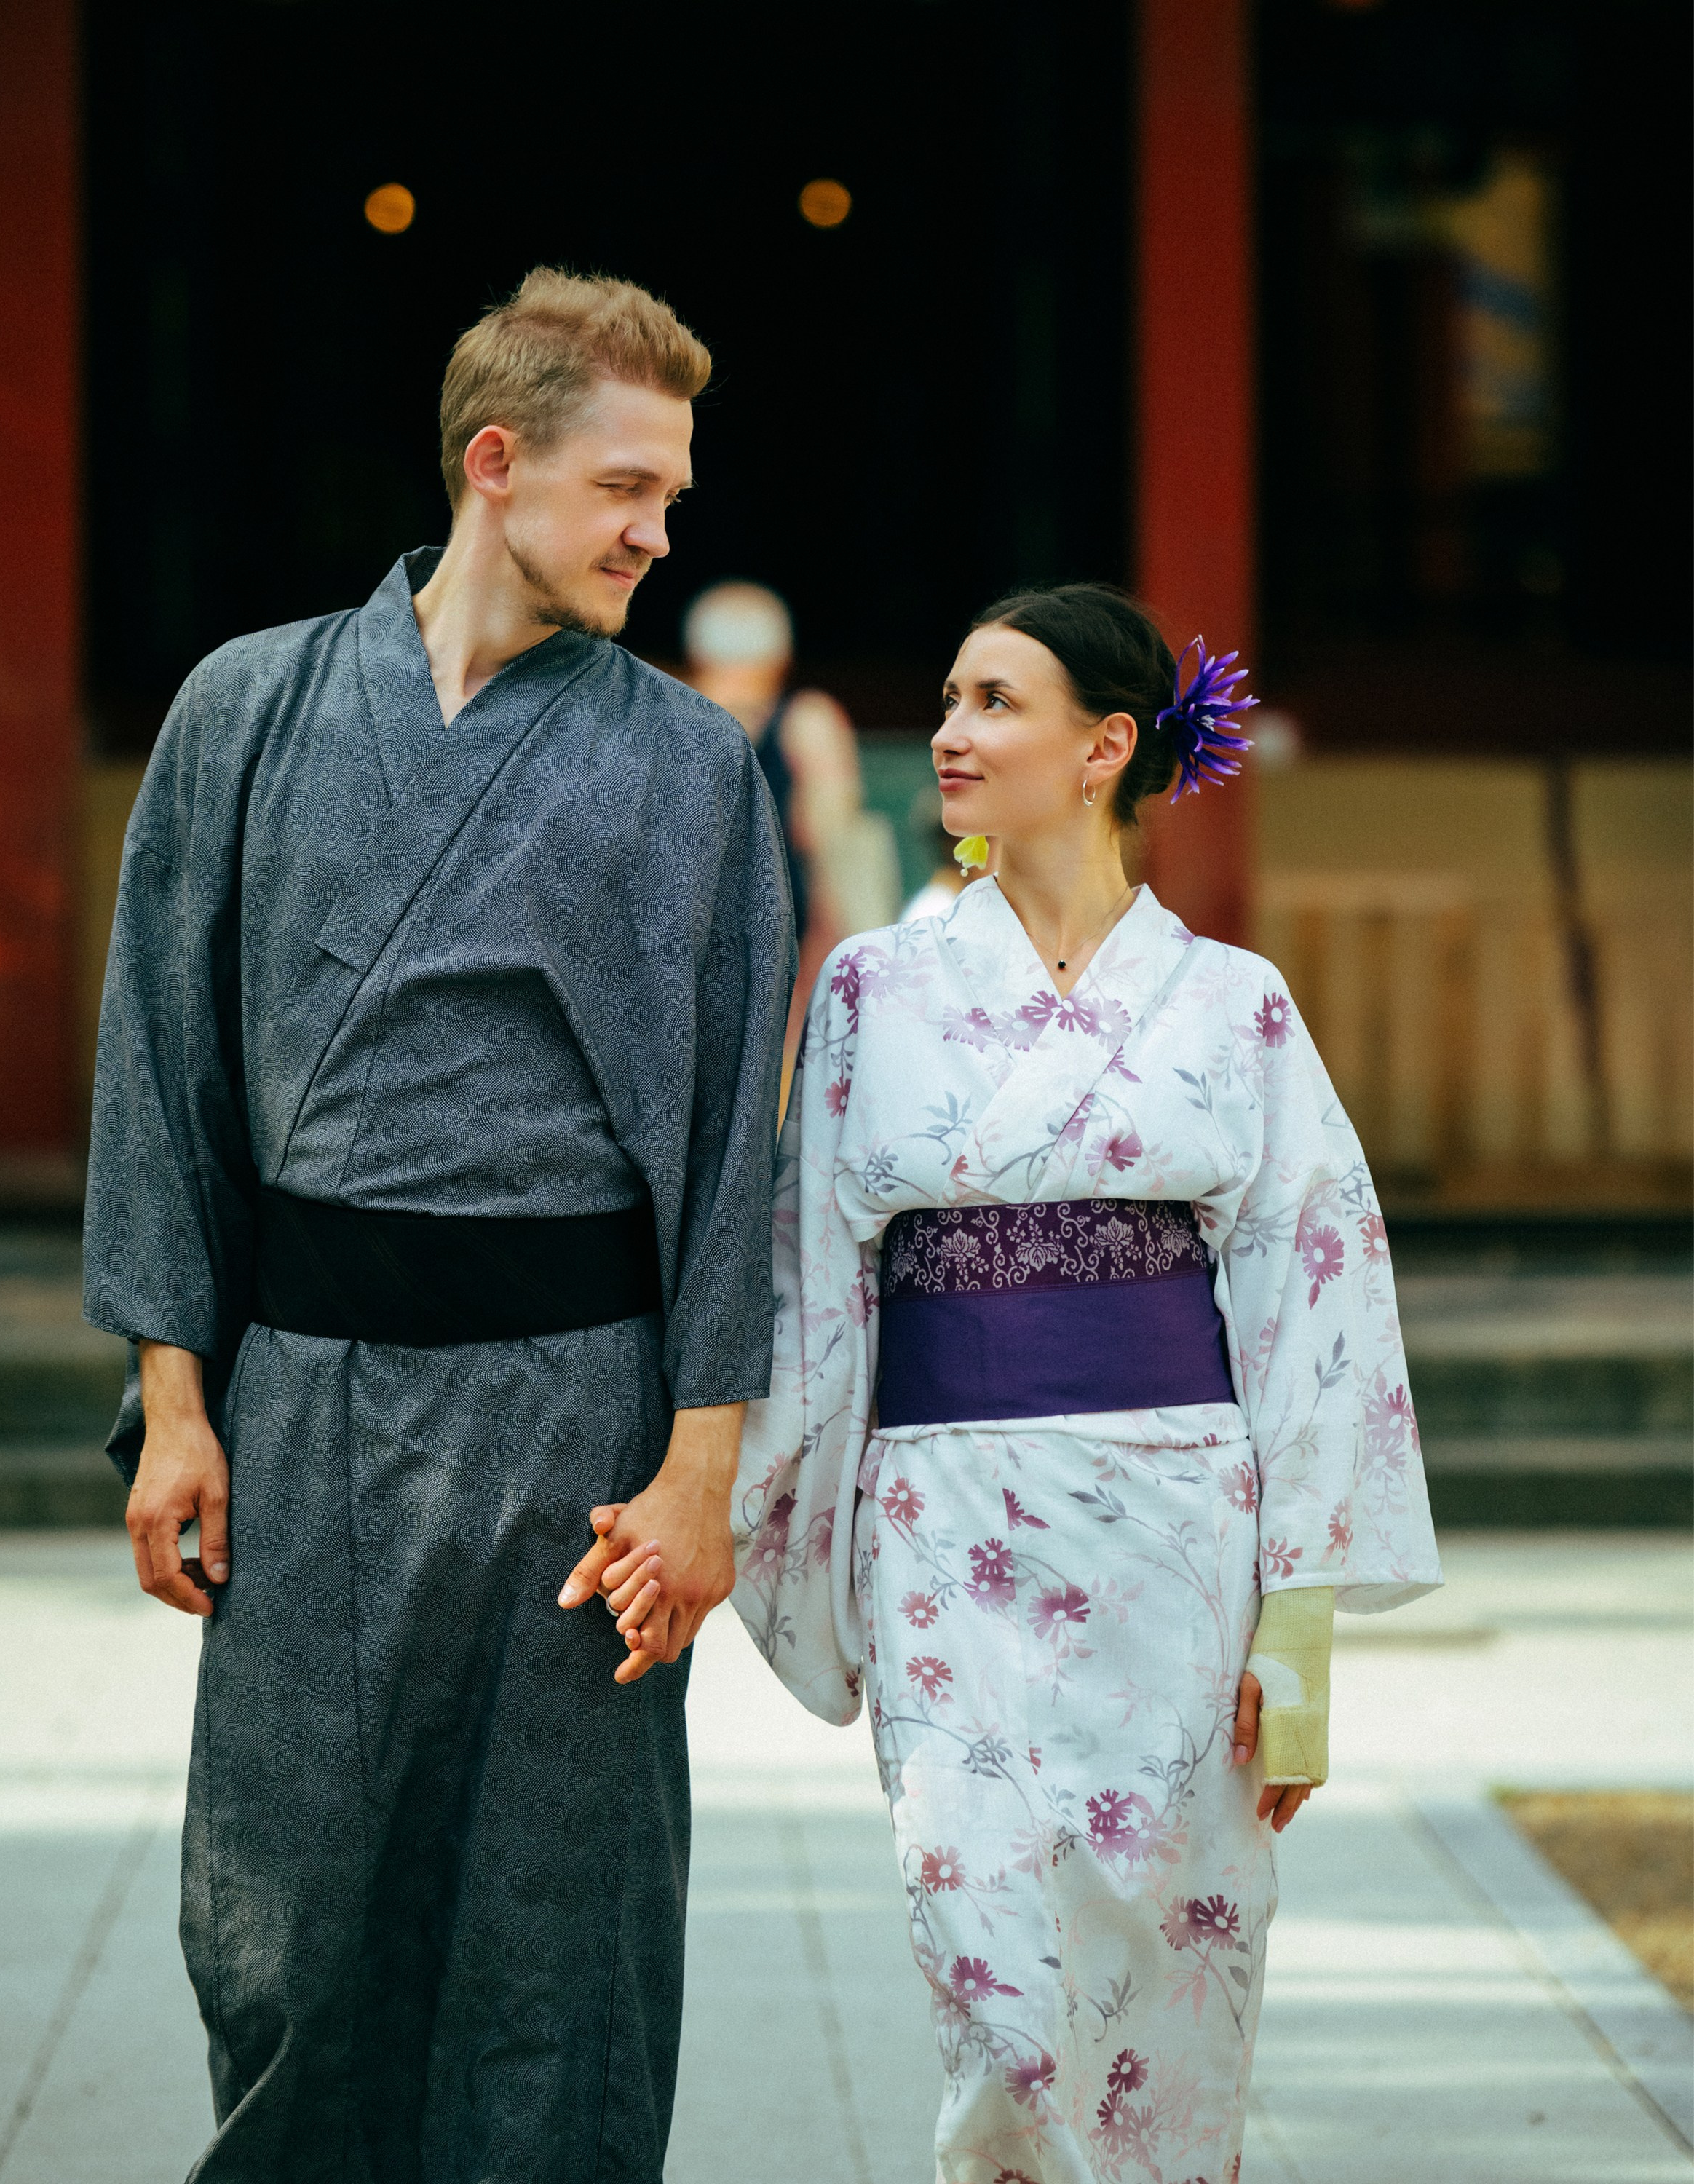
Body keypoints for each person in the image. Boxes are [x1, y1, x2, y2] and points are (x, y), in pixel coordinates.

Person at [83, 268, 794, 2180]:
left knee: (562, 1930)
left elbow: (733, 1144)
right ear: (496, 464)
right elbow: (160, 1066)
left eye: (671, 497)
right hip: (305, 1398)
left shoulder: (689, 765)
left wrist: (703, 1475)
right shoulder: (248, 708)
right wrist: (176, 1402)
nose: (657, 535)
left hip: (580, 1428)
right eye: (625, 489)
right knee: (288, 1910)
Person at [727, 584, 1440, 2183]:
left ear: (1107, 746)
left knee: (1176, 1951)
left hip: (1177, 1531)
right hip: (946, 1528)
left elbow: (1319, 1299)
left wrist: (1299, 1635)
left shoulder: (1236, 1004)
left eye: (993, 703)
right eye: (949, 698)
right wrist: (743, 1504)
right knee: (984, 1962)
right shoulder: (875, 991)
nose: (950, 734)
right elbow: (808, 1282)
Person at [682, 581, 901, 1044]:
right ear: (782, 658)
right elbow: (834, 842)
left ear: (696, 656)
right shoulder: (809, 722)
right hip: (779, 939)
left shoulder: (660, 718)